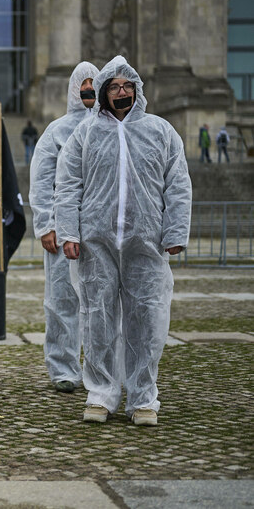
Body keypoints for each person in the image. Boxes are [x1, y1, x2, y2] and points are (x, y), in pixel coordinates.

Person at [55, 55, 191, 427]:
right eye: (113, 87)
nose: (121, 93)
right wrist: (68, 231)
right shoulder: (85, 133)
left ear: (137, 89)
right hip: (96, 242)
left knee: (146, 319)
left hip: (145, 243)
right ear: (102, 93)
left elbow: (178, 184)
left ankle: (143, 397)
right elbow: (68, 185)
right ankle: (100, 393)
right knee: (97, 318)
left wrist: (175, 231)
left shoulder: (160, 131)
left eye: (127, 86)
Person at [29, 61, 99, 394]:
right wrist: (45, 224)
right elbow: (41, 181)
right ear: (73, 89)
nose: (88, 89)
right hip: (61, 229)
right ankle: (63, 367)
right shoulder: (56, 131)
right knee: (62, 301)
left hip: (100, 230)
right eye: (83, 84)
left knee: (101, 303)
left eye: (93, 83)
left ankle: (100, 369)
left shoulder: (111, 128)